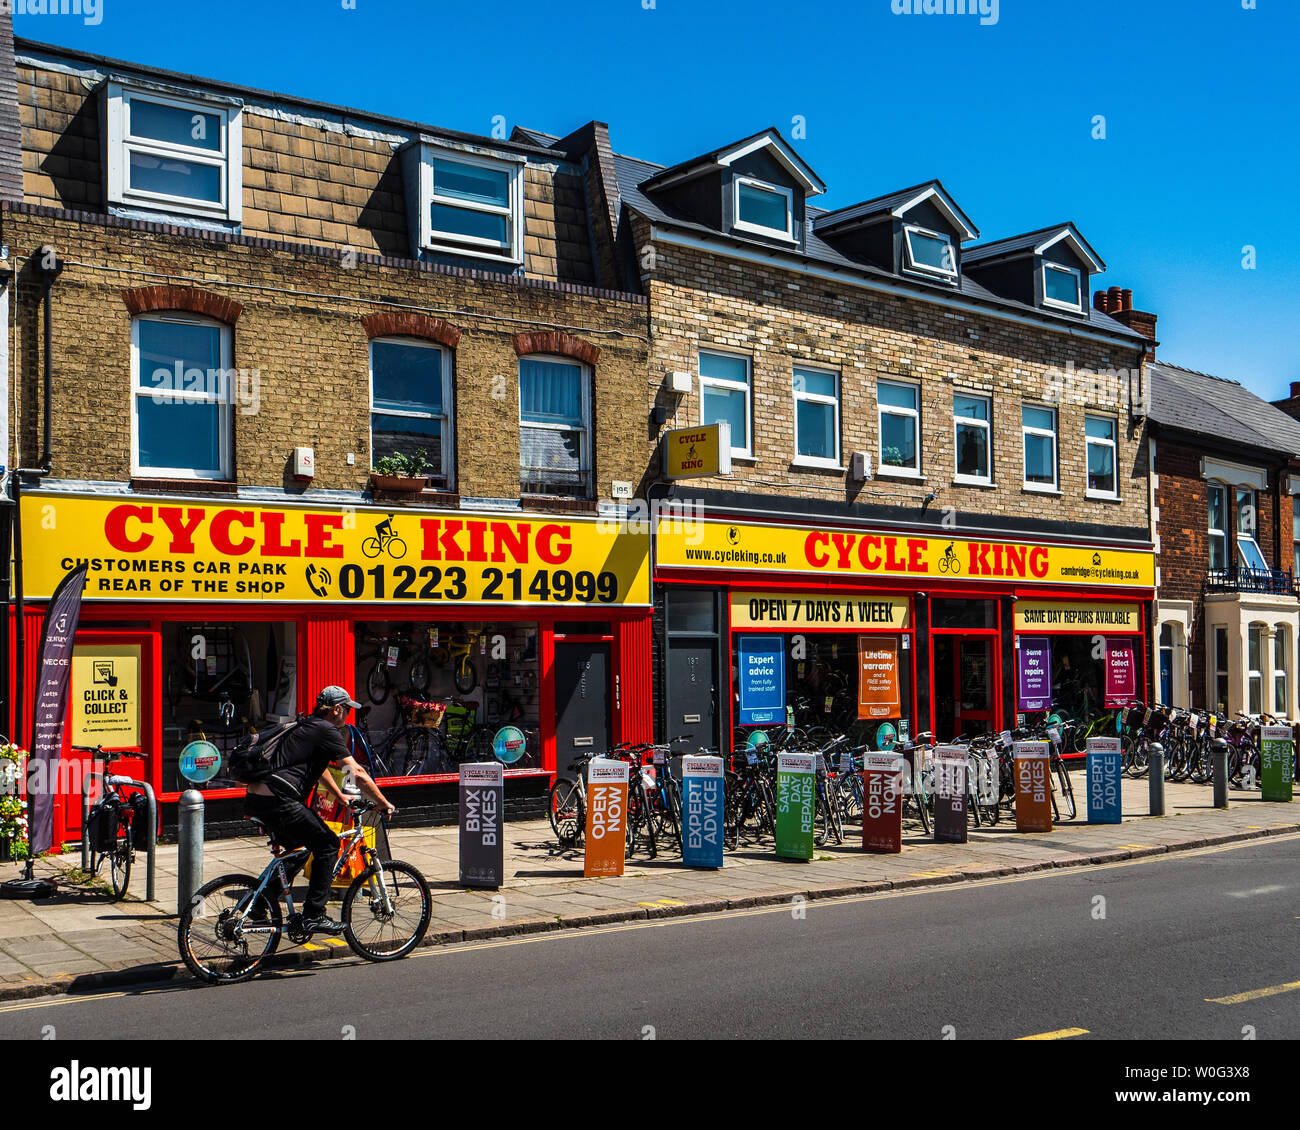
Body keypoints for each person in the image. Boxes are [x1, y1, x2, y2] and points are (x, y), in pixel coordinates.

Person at [244, 686, 396, 936]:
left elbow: (320, 767)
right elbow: (357, 772)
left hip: (258, 799)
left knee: (299, 849)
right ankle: (314, 915)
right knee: (327, 845)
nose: (347, 715)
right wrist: (383, 802)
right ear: (336, 709)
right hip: (279, 800)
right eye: (346, 709)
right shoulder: (327, 730)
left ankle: (260, 904)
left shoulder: (307, 724)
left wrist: (339, 796)